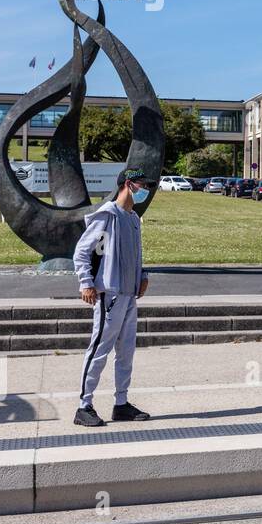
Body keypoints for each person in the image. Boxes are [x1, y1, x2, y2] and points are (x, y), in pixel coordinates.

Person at [71, 168, 154, 427]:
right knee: (99, 349)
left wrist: (143, 275)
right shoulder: (108, 216)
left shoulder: (132, 218)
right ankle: (84, 406)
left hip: (129, 294)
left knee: (126, 352)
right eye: (142, 185)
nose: (145, 191)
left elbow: (134, 252)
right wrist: (86, 283)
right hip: (111, 294)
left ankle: (121, 404)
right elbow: (83, 252)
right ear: (128, 184)